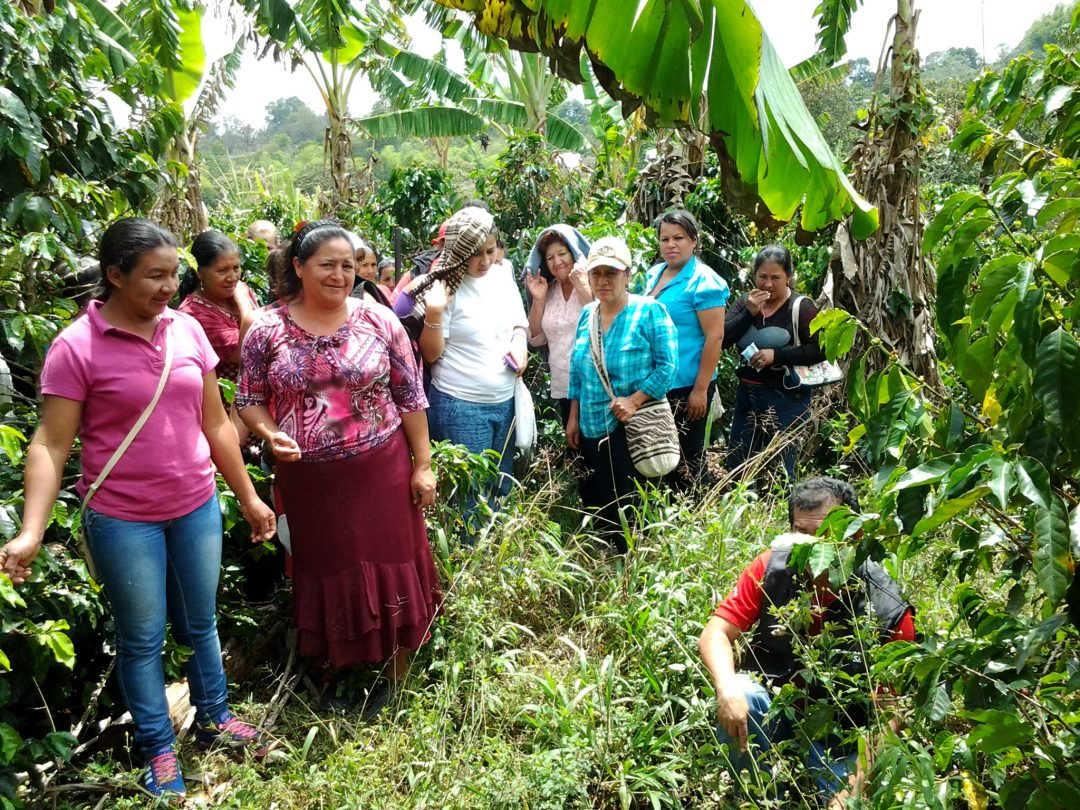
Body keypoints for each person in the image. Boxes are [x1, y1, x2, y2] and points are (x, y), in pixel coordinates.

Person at [0, 218, 277, 799]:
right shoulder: (76, 347)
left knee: (201, 620)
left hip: (197, 503)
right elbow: (51, 444)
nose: (168, 287)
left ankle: (216, 717)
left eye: (174, 274)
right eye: (154, 276)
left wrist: (249, 497)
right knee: (143, 636)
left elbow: (216, 425)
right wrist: (31, 531)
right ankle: (158, 748)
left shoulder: (186, 332)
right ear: (114, 275)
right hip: (124, 517)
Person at [237, 220, 439, 710]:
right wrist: (268, 433)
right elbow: (248, 400)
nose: (340, 274)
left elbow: (410, 395)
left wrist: (423, 465)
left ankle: (396, 672)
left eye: (348, 265)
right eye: (327, 264)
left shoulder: (379, 320)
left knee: (390, 562)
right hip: (311, 480)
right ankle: (339, 669)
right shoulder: (265, 329)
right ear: (298, 268)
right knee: (328, 567)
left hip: (381, 470)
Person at [698, 477, 915, 805]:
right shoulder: (772, 566)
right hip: (779, 711)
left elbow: (888, 714)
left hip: (843, 734)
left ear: (854, 535)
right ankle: (759, 796)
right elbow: (715, 633)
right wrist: (727, 687)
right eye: (803, 535)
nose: (813, 547)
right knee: (742, 692)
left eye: (826, 535)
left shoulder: (885, 605)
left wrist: (851, 793)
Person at [394, 206, 528, 529]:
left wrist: (520, 346)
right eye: (474, 254)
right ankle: (467, 566)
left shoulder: (502, 275)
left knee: (501, 486)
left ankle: (497, 558)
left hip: (504, 402)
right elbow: (432, 354)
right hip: (460, 406)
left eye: (490, 250)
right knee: (468, 499)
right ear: (458, 251)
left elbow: (517, 324)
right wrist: (436, 314)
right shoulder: (443, 286)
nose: (483, 261)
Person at [566, 237, 677, 552]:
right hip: (590, 424)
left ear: (627, 276)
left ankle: (639, 565)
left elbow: (668, 367)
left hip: (632, 425)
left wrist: (634, 400)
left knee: (634, 502)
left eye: (610, 274)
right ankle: (612, 564)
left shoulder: (649, 312)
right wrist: (572, 418)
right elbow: (577, 371)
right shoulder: (588, 314)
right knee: (601, 501)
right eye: (596, 273)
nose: (602, 281)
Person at [722, 244, 825, 482]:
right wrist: (748, 312)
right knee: (739, 465)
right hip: (747, 395)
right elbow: (724, 339)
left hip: (787, 397)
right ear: (754, 274)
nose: (768, 284)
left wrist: (776, 356)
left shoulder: (801, 307)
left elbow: (820, 349)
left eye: (776, 277)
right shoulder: (743, 303)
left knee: (781, 469)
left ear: (788, 277)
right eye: (762, 277)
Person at [644, 210, 729, 490]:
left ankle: (692, 516)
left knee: (687, 458)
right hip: (655, 383)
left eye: (678, 238)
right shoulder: (654, 274)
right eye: (665, 239)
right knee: (658, 455)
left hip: (688, 383)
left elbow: (715, 337)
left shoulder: (705, 282)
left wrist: (700, 390)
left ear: (694, 241)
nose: (671, 245)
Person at [524, 225, 593, 424]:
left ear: (574, 253)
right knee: (575, 451)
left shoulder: (593, 281)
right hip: (563, 385)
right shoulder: (550, 290)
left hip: (592, 383)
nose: (557, 262)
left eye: (562, 254)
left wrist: (582, 285)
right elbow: (536, 339)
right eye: (550, 258)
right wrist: (538, 300)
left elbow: (602, 318)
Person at [178, 230, 259, 385]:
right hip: (225, 404)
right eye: (222, 271)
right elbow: (246, 355)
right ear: (199, 272)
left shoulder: (241, 290)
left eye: (236, 268)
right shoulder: (194, 313)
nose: (232, 278)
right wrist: (244, 306)